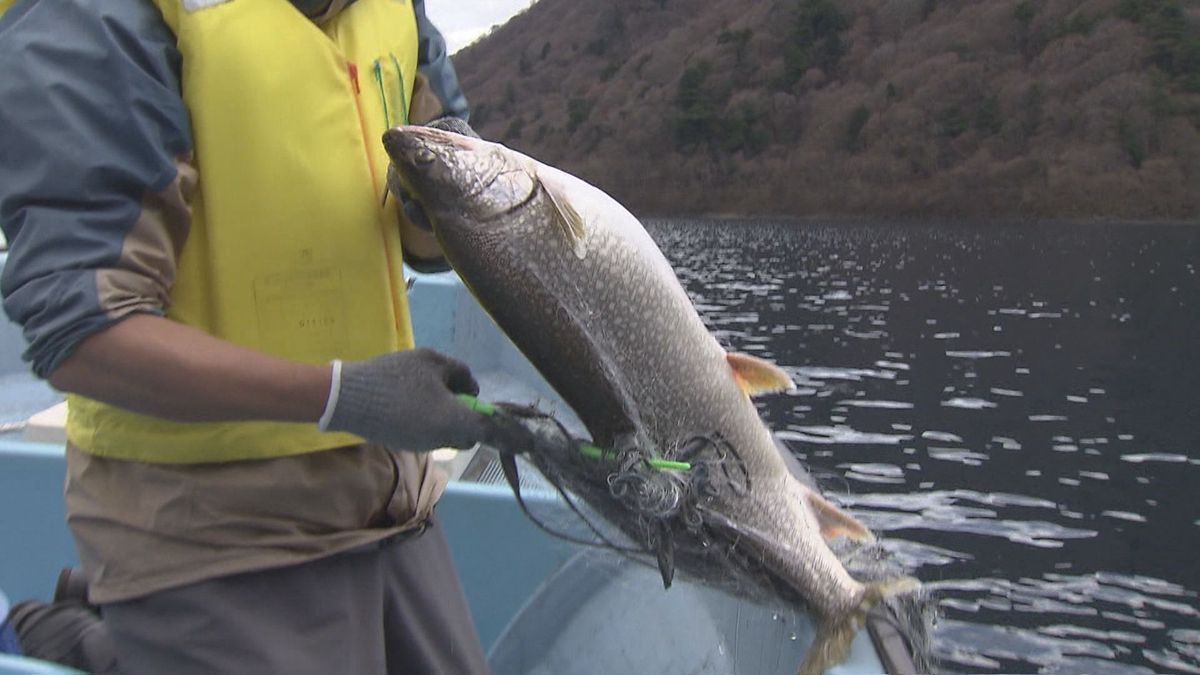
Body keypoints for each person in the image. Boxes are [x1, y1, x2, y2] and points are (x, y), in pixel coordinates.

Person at [0, 0, 497, 672]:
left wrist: (445, 203)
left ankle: (95, 636)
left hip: (394, 504)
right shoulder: (97, 14)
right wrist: (344, 395)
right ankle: (91, 635)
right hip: (211, 535)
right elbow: (85, 333)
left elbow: (427, 235)